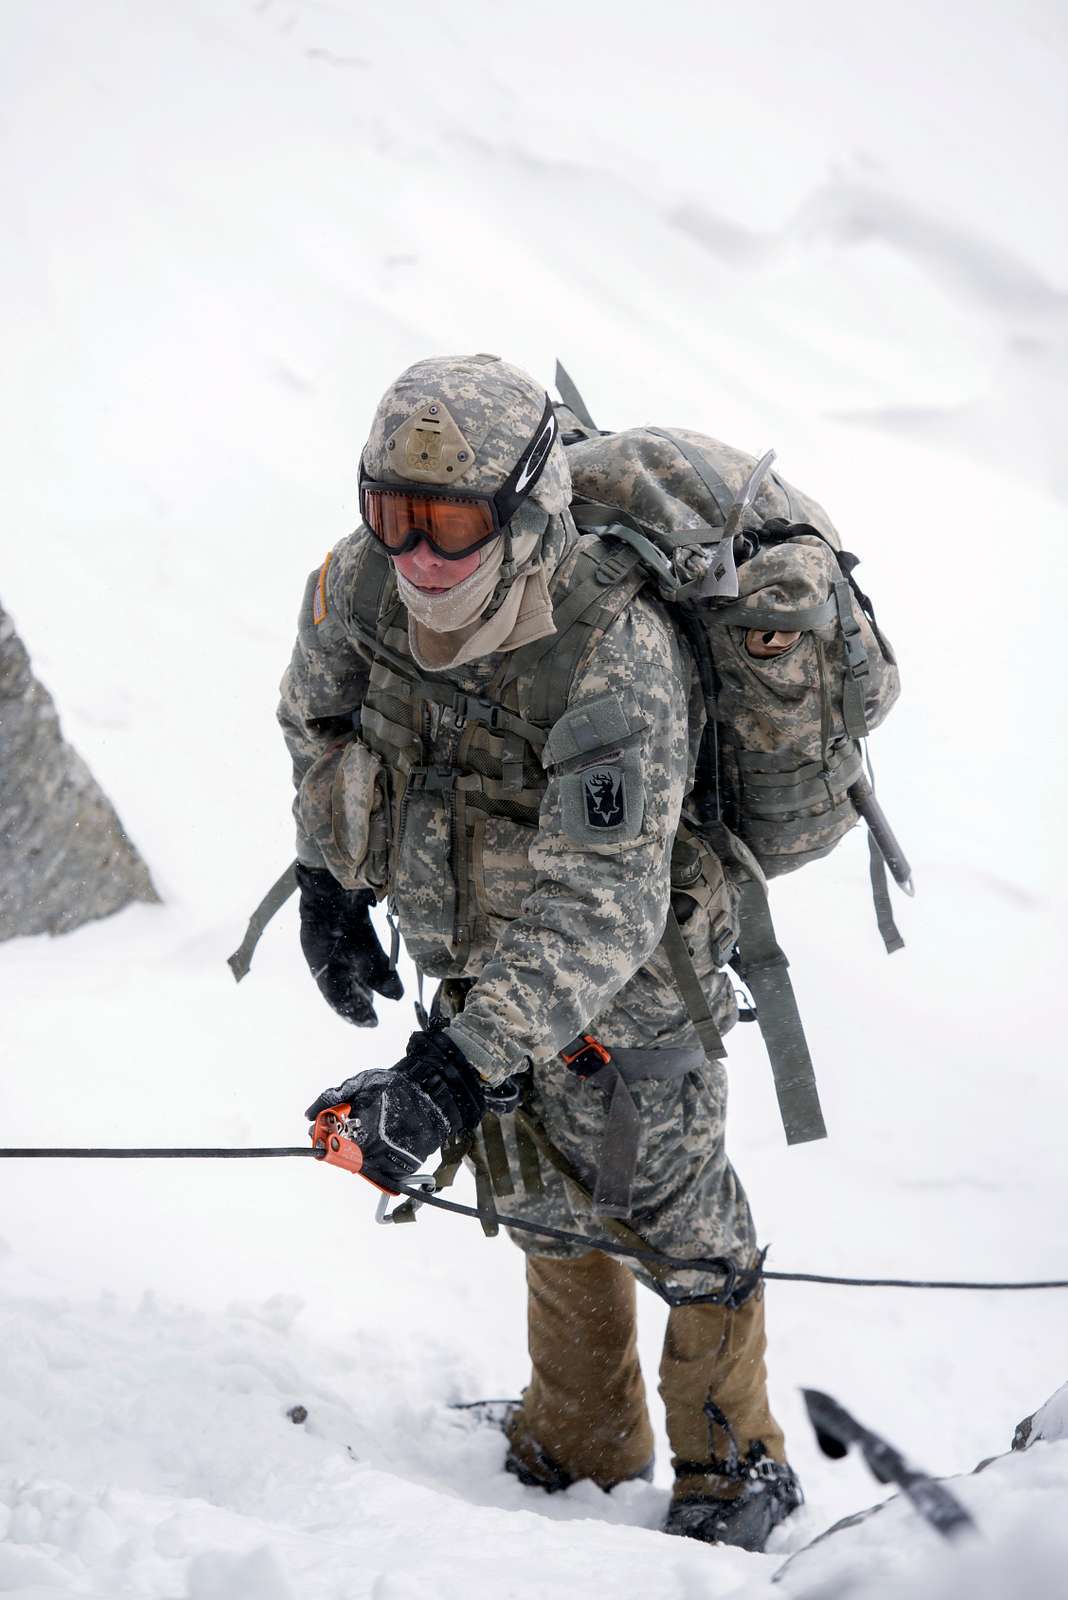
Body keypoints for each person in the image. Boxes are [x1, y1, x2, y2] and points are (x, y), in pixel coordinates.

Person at [278, 353, 803, 1551]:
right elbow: (314, 716)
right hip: (472, 944)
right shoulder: (357, 586)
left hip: (635, 984)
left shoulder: (609, 645)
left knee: (673, 1211)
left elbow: (604, 905)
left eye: (449, 522)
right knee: (541, 1196)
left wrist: (452, 1067)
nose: (415, 553)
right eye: (390, 510)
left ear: (525, 509)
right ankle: (580, 1436)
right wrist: (326, 878)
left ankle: (734, 1465)